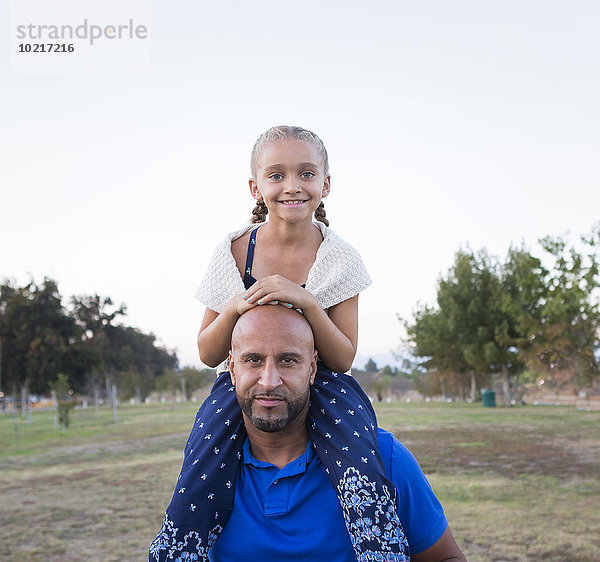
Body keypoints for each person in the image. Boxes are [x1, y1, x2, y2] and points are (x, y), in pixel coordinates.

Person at [150, 125, 405, 560]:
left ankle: (380, 549)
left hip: (319, 383)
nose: (292, 186)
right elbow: (209, 352)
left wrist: (308, 302)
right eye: (276, 175)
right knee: (202, 466)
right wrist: (233, 308)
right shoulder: (233, 251)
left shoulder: (340, 258)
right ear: (255, 186)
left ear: (326, 184)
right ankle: (182, 550)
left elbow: (342, 358)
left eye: (306, 174)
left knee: (362, 462)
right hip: (244, 383)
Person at [185, 306, 467, 560]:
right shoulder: (207, 469)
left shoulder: (381, 457)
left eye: (288, 360)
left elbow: (445, 557)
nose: (269, 381)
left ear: (312, 368)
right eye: (254, 360)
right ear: (232, 368)